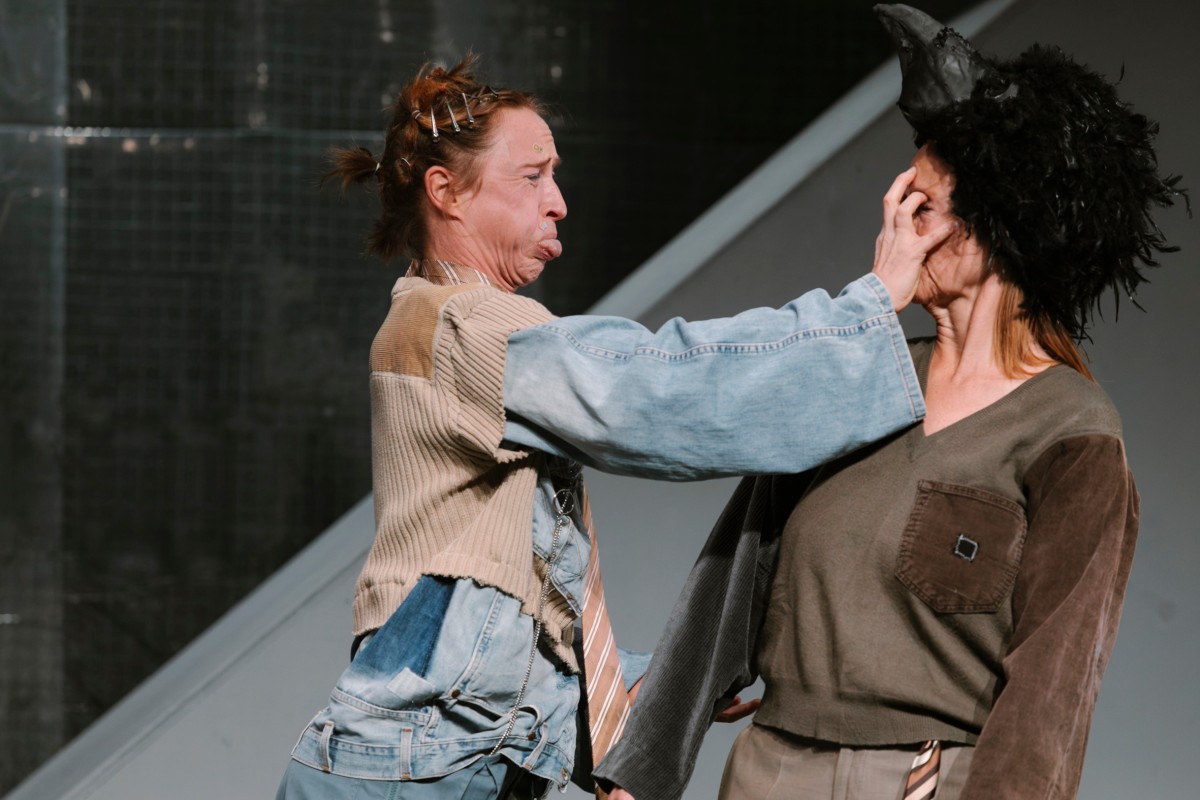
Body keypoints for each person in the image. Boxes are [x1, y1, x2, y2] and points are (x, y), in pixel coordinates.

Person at [275, 52, 953, 800]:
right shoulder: (462, 326)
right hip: (408, 777)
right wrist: (866, 307)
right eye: (531, 177)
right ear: (447, 193)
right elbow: (661, 391)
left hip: (429, 767)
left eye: (554, 175)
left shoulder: (435, 316)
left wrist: (631, 681)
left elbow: (491, 596)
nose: (558, 201)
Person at [597, 5, 1188, 800]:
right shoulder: (857, 377)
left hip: (923, 780)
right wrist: (640, 769)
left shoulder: (1070, 432)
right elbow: (731, 581)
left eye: (922, 206)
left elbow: (1051, 695)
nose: (896, 228)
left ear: (997, 230)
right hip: (771, 770)